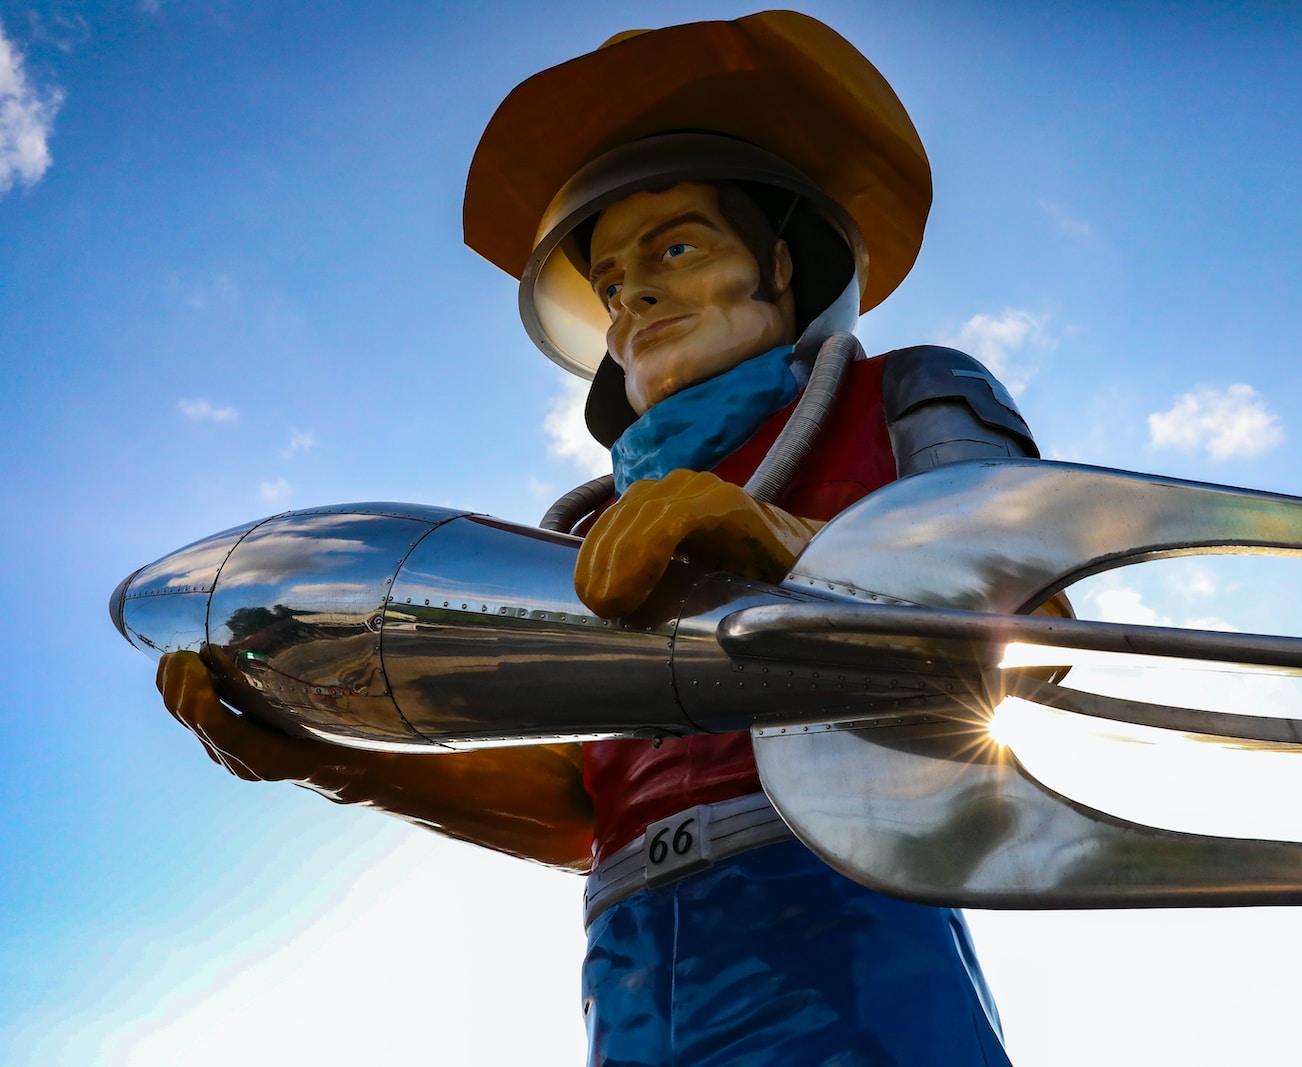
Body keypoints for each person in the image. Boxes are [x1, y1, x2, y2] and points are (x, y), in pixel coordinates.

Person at [158, 12, 1039, 1064]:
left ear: (783, 265)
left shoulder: (905, 391)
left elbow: (1037, 621)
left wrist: (767, 533)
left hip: (850, 926)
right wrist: (330, 760)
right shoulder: (580, 527)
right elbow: (585, 808)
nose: (635, 299)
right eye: (613, 281)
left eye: (674, 245)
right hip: (627, 965)